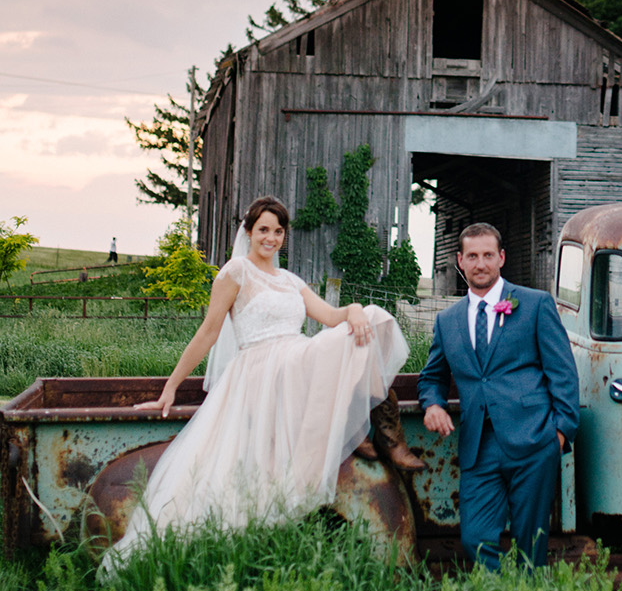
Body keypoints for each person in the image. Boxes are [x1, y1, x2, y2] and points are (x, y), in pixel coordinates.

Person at [102, 195, 410, 567]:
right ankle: (355, 427)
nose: (271, 238)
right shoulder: (235, 274)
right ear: (248, 232)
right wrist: (169, 388)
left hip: (295, 357)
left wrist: (356, 309)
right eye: (263, 229)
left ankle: (370, 424)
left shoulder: (290, 280)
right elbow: (208, 333)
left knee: (375, 318)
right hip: (260, 369)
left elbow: (331, 316)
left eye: (279, 231)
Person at [419, 222, 579, 571]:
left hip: (534, 440)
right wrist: (432, 403)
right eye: (472, 256)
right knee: (475, 538)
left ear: (501, 258)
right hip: (479, 445)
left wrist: (560, 433)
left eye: (488, 255)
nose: (481, 264)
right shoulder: (448, 321)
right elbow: (433, 376)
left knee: (530, 542)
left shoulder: (535, 305)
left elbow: (563, 372)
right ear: (460, 261)